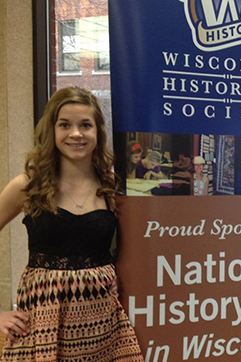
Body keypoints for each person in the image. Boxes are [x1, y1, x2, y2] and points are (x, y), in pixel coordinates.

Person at [0, 86, 144, 361]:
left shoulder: (112, 186)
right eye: (65, 124)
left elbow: (129, 248)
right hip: (42, 324)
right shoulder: (27, 186)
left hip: (103, 327)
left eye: (85, 125)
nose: (76, 134)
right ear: (51, 131)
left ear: (98, 132)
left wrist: (117, 275)